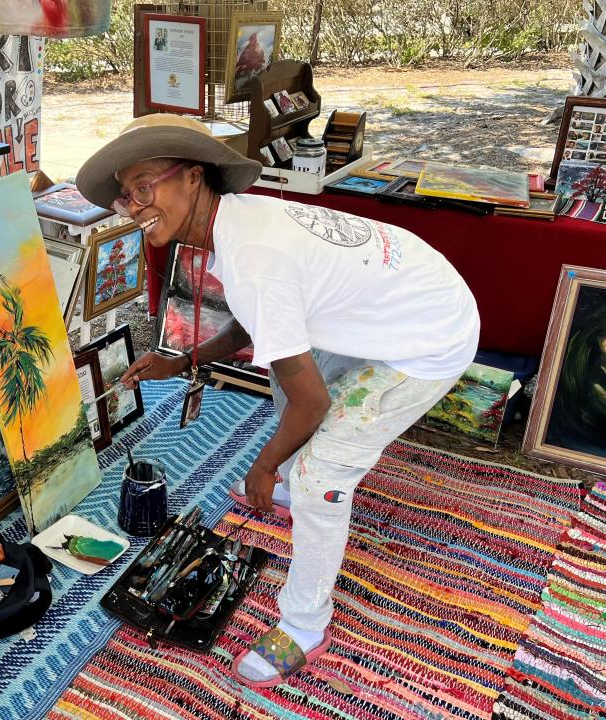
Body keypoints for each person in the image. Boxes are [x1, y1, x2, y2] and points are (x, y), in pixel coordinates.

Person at [75, 114, 480, 688]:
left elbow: (311, 402)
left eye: (145, 187)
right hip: (398, 300)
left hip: (428, 336)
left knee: (321, 475)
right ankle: (292, 482)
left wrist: (264, 466)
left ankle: (306, 624)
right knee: (283, 377)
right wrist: (186, 360)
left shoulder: (251, 255)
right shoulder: (236, 221)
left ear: (193, 177)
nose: (135, 206)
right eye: (126, 197)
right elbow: (258, 322)